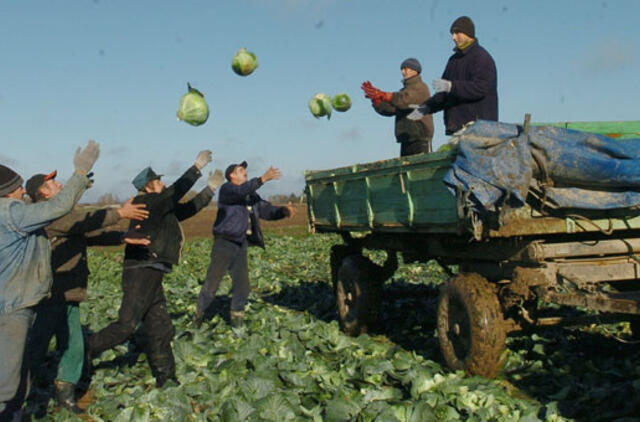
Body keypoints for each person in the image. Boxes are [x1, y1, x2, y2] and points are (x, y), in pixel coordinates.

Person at [86, 150, 223, 388]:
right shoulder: (147, 202)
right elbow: (176, 191)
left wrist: (209, 190)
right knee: (126, 325)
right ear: (148, 187)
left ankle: (166, 379)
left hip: (152, 269)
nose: (163, 183)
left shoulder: (160, 206)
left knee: (159, 326)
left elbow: (186, 210)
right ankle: (83, 353)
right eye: (158, 181)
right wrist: (196, 168)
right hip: (142, 269)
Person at [25, 170, 149, 413]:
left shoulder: (61, 215)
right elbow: (81, 221)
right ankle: (18, 396)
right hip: (49, 295)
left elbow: (88, 234)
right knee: (35, 347)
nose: (59, 183)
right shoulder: (46, 216)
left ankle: (65, 395)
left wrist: (123, 236)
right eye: (53, 183)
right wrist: (119, 214)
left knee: (74, 345)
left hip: (69, 293)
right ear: (43, 192)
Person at [0, 141, 99, 421]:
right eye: (18, 187)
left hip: (15, 302)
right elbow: (59, 208)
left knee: (13, 372)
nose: (22, 191)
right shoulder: (11, 212)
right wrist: (80, 173)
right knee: (8, 384)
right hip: (12, 309)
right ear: (8, 191)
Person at [194, 161, 296, 329]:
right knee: (212, 285)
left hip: (240, 244)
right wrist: (263, 179)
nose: (244, 172)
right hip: (224, 244)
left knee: (243, 286)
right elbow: (242, 190)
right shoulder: (228, 190)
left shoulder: (251, 196)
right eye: (240, 170)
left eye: (244, 170)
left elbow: (266, 211)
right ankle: (198, 317)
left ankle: (237, 321)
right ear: (231, 176)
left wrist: (283, 211)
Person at [417, 16, 498, 135]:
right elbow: (443, 95)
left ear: (468, 33)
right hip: (457, 129)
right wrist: (425, 108)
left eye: (457, 32)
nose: (453, 37)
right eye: (452, 34)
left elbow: (481, 88)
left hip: (480, 129)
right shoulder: (453, 61)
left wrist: (452, 86)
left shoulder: (482, 57)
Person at [361, 58, 434, 156]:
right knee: (406, 170)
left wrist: (383, 94)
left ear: (415, 70)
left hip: (421, 139)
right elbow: (392, 109)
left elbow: (404, 100)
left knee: (423, 170)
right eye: (402, 69)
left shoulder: (421, 87)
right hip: (406, 139)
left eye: (406, 69)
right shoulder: (403, 91)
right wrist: (376, 100)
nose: (403, 72)